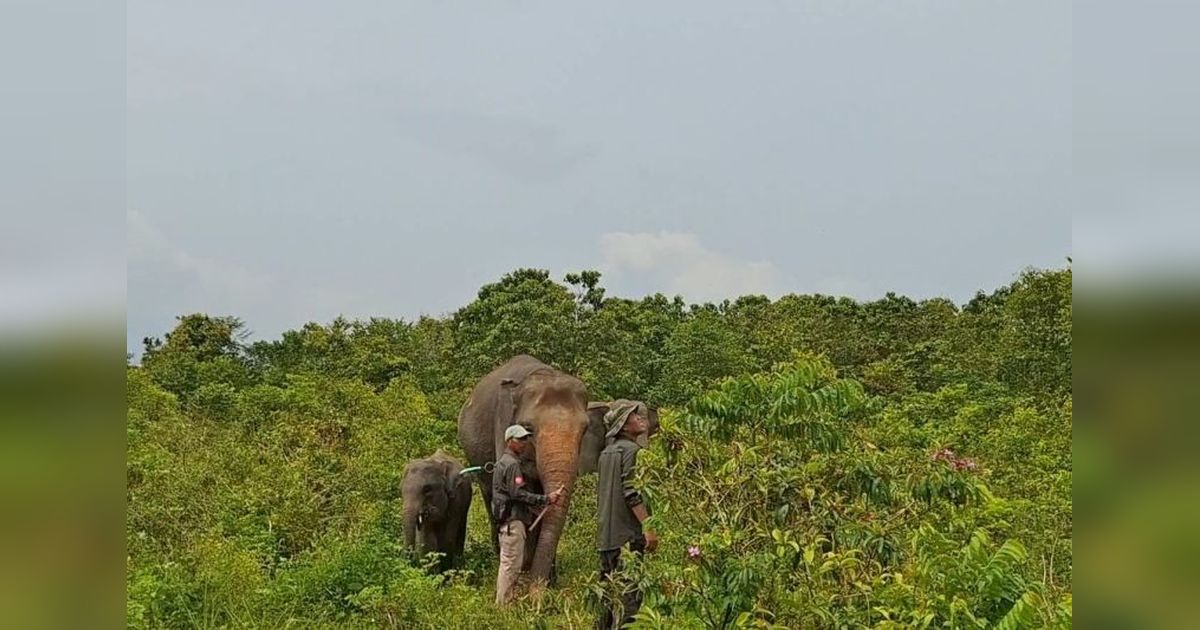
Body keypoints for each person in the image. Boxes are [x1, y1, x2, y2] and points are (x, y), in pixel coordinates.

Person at [595, 401, 658, 629]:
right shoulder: (633, 452)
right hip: (628, 538)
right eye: (633, 416)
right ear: (622, 426)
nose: (640, 418)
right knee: (629, 601)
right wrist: (648, 528)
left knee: (607, 600)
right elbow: (631, 493)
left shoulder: (605, 454)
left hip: (605, 539)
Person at [493, 424, 564, 605]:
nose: (524, 443)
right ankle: (503, 606)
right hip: (513, 522)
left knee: (509, 563)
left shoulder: (502, 462)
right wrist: (545, 499)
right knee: (511, 565)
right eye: (520, 439)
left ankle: (505, 602)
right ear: (509, 442)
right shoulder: (512, 465)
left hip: (507, 521)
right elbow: (518, 493)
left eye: (526, 439)